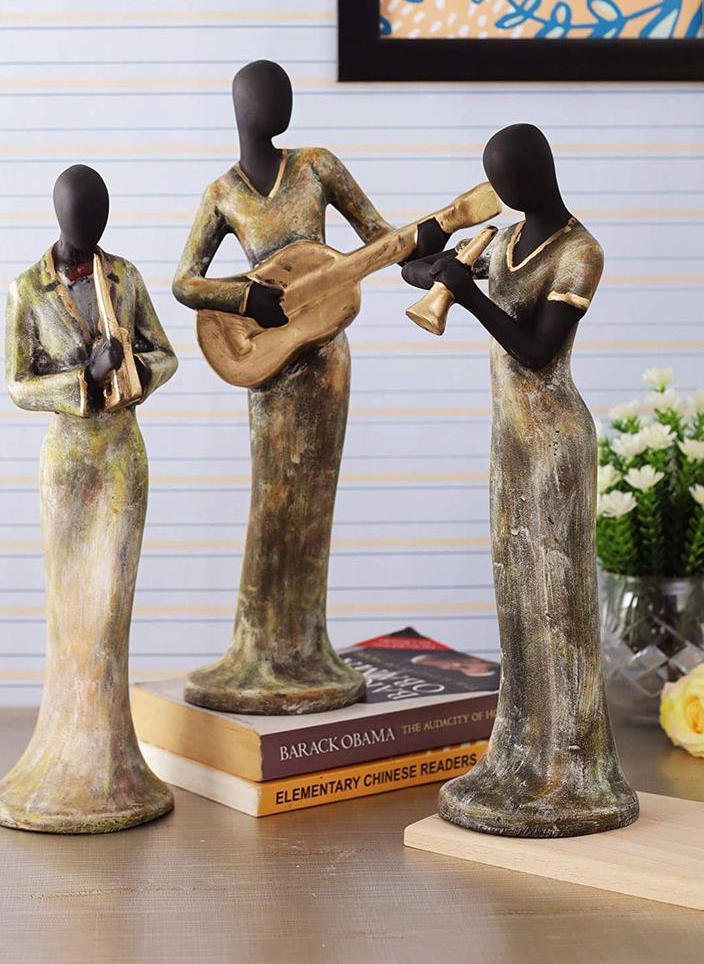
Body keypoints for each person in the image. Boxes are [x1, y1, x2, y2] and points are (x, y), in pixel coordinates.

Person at [173, 60, 449, 714]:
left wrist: (432, 260)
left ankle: (304, 648)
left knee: (313, 499)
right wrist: (245, 298)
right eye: (268, 96)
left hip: (323, 356)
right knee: (270, 501)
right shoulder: (222, 193)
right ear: (241, 108)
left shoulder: (317, 166)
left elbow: (379, 239)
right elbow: (185, 282)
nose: (282, 106)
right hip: (267, 361)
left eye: (286, 94)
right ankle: (258, 649)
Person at [403, 124, 638, 837]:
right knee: (517, 598)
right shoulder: (502, 240)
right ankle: (522, 755)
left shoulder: (579, 251)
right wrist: (437, 248)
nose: (502, 193)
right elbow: (414, 271)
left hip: (556, 443)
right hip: (511, 440)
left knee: (559, 605)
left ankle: (573, 769)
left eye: (509, 179)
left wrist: (468, 298)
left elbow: (537, 350)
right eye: (496, 183)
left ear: (540, 172)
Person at [0, 165, 177, 833]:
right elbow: (17, 383)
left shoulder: (125, 276)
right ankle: (61, 759)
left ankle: (113, 763)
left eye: (98, 218)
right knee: (69, 610)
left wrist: (133, 370)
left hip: (121, 453)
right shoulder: (26, 289)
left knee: (110, 610)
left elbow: (165, 353)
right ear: (59, 216)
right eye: (78, 218)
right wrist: (82, 378)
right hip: (68, 462)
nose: (89, 229)